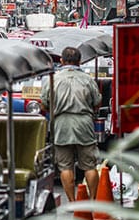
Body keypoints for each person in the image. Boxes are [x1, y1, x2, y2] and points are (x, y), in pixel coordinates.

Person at [42, 46, 101, 202]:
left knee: (65, 166)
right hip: (84, 124)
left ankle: (73, 203)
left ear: (61, 61)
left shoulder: (52, 79)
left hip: (61, 125)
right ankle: (93, 200)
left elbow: (45, 104)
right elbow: (97, 103)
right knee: (89, 165)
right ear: (80, 62)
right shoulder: (88, 79)